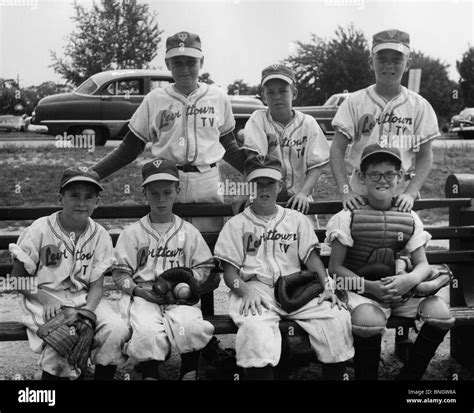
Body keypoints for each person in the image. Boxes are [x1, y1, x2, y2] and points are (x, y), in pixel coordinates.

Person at [214, 154, 354, 380]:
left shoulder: (296, 219)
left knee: (335, 316)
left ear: (280, 184)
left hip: (296, 287)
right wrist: (245, 290)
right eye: (257, 184)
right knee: (255, 329)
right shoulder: (236, 224)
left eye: (270, 183)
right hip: (255, 289)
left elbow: (312, 260)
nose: (264, 189)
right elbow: (230, 273)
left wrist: (327, 287)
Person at [326, 144, 453, 380]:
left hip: (399, 289)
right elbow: (335, 269)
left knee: (440, 314)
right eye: (374, 174)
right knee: (368, 322)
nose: (382, 180)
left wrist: (410, 279)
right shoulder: (347, 217)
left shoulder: (409, 217)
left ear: (401, 177)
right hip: (360, 291)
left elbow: (423, 264)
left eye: (390, 174)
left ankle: (410, 376)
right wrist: (370, 287)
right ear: (362, 177)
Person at [92, 31, 245, 205]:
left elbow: (229, 147)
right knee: (166, 230)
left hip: (207, 180)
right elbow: (130, 148)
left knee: (207, 230)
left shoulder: (218, 97)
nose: (184, 69)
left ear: (201, 62)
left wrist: (256, 177)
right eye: (177, 63)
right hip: (166, 180)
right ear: (167, 63)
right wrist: (93, 173)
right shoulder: (155, 99)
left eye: (191, 62)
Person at [8, 167, 128, 380]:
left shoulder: (100, 235)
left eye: (88, 197)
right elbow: (17, 279)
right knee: (63, 337)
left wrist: (88, 314)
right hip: (44, 298)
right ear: (60, 198)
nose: (81, 202)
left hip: (84, 300)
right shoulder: (39, 229)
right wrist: (44, 299)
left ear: (97, 202)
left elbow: (97, 287)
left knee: (116, 328)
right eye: (74, 195)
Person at [112, 159, 215, 380]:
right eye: (154, 193)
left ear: (177, 192)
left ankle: (189, 371)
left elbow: (204, 266)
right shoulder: (132, 233)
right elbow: (121, 274)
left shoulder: (188, 231)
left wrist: (186, 281)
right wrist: (138, 292)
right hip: (145, 294)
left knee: (190, 325)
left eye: (167, 192)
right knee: (146, 331)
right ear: (144, 194)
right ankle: (150, 373)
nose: (161, 199)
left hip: (180, 294)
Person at [330, 29, 439, 212]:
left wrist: (411, 193)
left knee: (405, 237)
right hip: (361, 188)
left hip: (400, 189)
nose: (389, 66)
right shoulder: (355, 102)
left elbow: (425, 155)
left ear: (407, 64)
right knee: (357, 236)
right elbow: (337, 149)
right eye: (381, 59)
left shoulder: (419, 105)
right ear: (370, 62)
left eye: (397, 60)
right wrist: (345, 191)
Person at [234, 64, 330, 219]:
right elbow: (253, 160)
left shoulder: (308, 123)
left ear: (294, 93)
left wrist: (304, 194)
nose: (276, 96)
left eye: (283, 91)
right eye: (270, 92)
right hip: (266, 198)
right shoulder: (258, 119)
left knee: (304, 239)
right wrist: (247, 192)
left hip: (299, 199)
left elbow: (315, 166)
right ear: (263, 97)